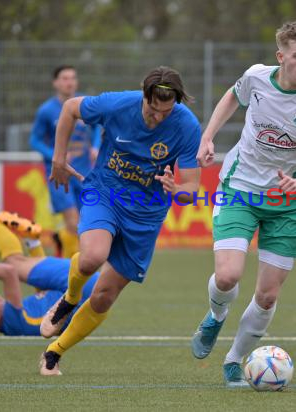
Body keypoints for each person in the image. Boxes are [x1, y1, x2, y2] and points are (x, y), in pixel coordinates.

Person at [192, 21, 296, 386]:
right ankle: (215, 316)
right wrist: (207, 137)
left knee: (267, 294)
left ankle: (234, 359)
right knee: (227, 276)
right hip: (240, 188)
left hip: (289, 203)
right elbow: (232, 96)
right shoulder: (257, 78)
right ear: (281, 56)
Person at [38, 66, 202, 376]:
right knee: (92, 258)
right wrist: (59, 159)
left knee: (104, 296)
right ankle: (69, 298)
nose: (158, 118)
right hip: (105, 193)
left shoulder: (188, 126)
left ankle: (55, 351)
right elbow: (70, 108)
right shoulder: (118, 104)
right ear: (144, 97)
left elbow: (192, 189)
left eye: (166, 113)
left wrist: (177, 189)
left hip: (146, 214)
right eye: (153, 110)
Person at [0, 199, 98, 336]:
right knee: (14, 263)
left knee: (26, 269)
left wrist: (34, 247)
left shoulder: (18, 324)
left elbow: (44, 292)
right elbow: (8, 271)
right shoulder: (11, 318)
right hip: (78, 288)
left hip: (85, 292)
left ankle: (31, 239)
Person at [30, 65, 102, 258]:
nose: (69, 82)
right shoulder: (46, 111)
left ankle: (63, 244)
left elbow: (96, 127)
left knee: (87, 223)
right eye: (64, 78)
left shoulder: (84, 104)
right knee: (72, 221)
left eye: (72, 78)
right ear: (55, 83)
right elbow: (34, 140)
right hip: (59, 175)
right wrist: (55, 154)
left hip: (84, 173)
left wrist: (95, 145)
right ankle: (77, 268)